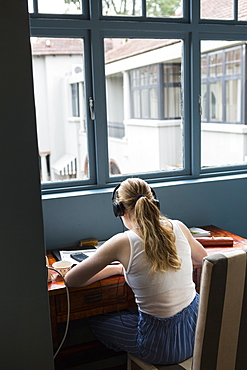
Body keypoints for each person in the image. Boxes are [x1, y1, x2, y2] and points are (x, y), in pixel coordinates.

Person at [65, 178, 207, 365]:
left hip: (163, 349)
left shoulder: (122, 241)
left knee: (97, 322)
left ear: (120, 210)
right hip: (198, 333)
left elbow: (71, 279)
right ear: (154, 203)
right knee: (135, 313)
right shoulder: (178, 226)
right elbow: (203, 258)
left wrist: (114, 269)